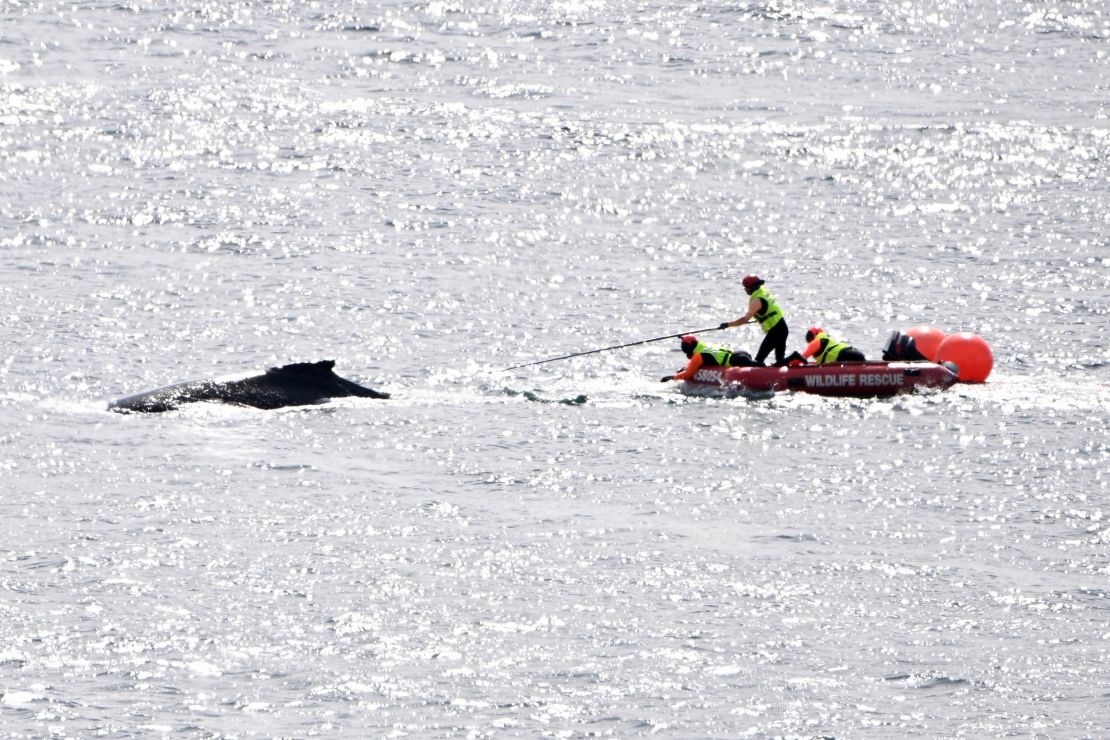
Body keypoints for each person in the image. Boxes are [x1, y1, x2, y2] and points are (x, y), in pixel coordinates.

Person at [718, 275, 788, 366]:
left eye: (746, 287)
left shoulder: (756, 300)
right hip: (782, 327)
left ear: (752, 287)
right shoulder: (763, 292)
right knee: (780, 360)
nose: (745, 290)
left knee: (758, 360)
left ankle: (795, 356)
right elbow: (767, 311)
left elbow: (744, 319)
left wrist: (727, 324)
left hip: (775, 331)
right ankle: (786, 372)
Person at [660, 335, 758, 382]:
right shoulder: (703, 347)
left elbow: (688, 375)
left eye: (685, 347)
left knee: (757, 366)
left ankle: (767, 370)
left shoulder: (698, 356)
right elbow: (690, 365)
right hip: (739, 354)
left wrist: (672, 377)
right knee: (756, 363)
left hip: (737, 361)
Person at [790, 326, 867, 365]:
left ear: (811, 338)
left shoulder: (816, 341)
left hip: (847, 356)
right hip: (854, 353)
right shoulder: (827, 340)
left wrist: (786, 363)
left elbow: (800, 359)